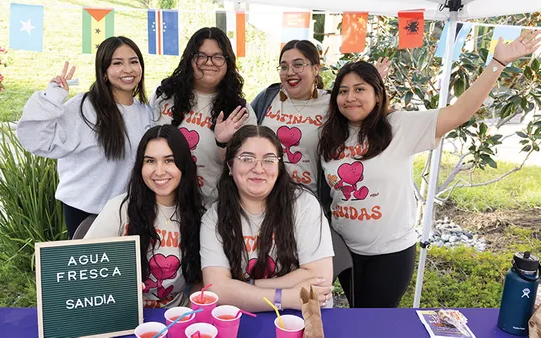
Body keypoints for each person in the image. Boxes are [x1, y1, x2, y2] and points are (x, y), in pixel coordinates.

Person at [317, 30, 541, 308]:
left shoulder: (398, 127)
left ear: (378, 95)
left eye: (360, 89)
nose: (350, 97)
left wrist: (497, 63)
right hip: (345, 249)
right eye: (343, 90)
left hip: (389, 254)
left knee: (374, 322)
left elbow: (458, 112)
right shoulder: (330, 135)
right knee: (355, 312)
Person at [17, 36, 153, 239]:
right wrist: (52, 98)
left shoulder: (146, 112)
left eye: (134, 61)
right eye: (117, 63)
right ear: (104, 71)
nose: (128, 69)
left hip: (128, 215)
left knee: (125, 270)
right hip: (86, 212)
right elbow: (36, 139)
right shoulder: (85, 108)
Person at [200, 125, 335, 312]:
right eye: (247, 159)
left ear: (279, 167)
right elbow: (217, 290)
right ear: (230, 166)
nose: (258, 168)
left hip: (304, 315)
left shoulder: (304, 204)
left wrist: (246, 285)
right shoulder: (214, 218)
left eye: (269, 160)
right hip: (248, 317)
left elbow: (319, 279)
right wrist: (285, 297)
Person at [84, 125, 204, 308]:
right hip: (123, 314)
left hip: (176, 317)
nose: (159, 171)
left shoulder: (198, 215)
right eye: (150, 161)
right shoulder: (120, 209)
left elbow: (201, 280)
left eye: (169, 160)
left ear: (184, 165)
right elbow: (83, 267)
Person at [251, 39, 390, 194]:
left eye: (298, 64)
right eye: (284, 67)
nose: (290, 72)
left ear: (316, 68)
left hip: (310, 200)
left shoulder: (332, 103)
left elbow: (362, 113)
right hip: (267, 195)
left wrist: (372, 84)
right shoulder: (266, 98)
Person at [150, 27, 256, 207]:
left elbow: (248, 166)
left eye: (218, 56)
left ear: (228, 62)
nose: (209, 62)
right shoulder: (164, 97)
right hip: (166, 204)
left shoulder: (240, 111)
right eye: (201, 55)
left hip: (214, 208)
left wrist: (223, 143)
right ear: (189, 59)